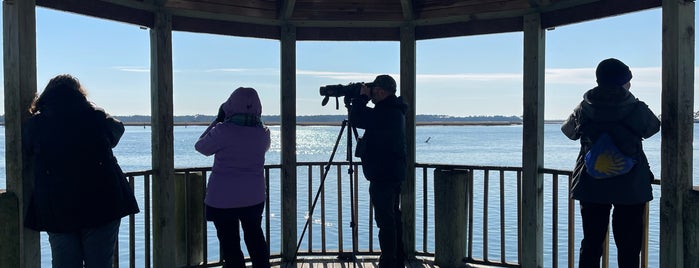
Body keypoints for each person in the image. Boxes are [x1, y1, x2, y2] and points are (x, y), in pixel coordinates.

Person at [22, 74, 140, 267]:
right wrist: (92, 107)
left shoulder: (37, 124)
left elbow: (27, 147)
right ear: (79, 93)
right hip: (103, 203)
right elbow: (117, 130)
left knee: (64, 263)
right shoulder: (95, 117)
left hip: (57, 208)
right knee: (100, 263)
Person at [561, 58, 660, 268]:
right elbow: (653, 128)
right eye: (628, 81)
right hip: (631, 187)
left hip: (591, 185)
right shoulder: (636, 108)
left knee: (591, 244)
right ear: (623, 82)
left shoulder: (584, 108)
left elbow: (568, 131)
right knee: (629, 249)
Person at [195, 87, 271, 268]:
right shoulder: (264, 133)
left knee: (230, 245)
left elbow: (201, 147)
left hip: (223, 199)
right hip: (254, 196)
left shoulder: (223, 130)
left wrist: (217, 120)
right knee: (255, 239)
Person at [349, 74, 408, 268]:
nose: (372, 94)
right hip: (392, 173)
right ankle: (397, 258)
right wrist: (361, 98)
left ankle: (389, 262)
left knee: (385, 220)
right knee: (392, 217)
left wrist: (361, 98)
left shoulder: (386, 112)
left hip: (383, 175)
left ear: (381, 92)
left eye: (373, 90)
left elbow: (357, 118)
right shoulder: (394, 110)